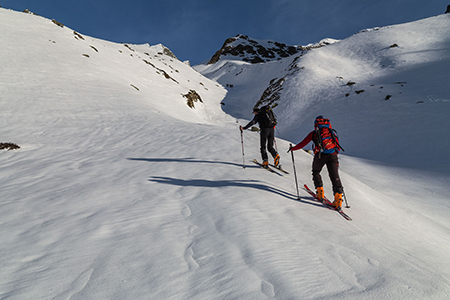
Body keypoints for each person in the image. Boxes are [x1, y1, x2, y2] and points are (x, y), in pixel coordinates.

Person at [288, 115, 344, 210]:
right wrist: (334, 155)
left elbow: (303, 143)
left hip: (320, 156)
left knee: (316, 171)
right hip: (333, 155)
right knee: (335, 176)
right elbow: (337, 145)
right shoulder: (331, 133)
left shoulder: (314, 134)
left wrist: (293, 148)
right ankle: (338, 199)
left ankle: (320, 192)